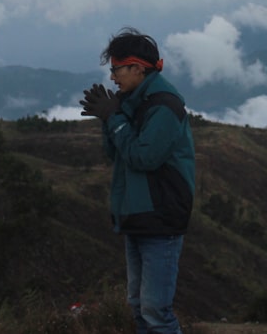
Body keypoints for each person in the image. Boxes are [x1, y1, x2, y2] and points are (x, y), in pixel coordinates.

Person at [80, 27, 196, 334]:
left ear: (137, 68)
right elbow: (115, 153)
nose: (113, 77)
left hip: (160, 215)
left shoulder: (164, 106)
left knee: (155, 310)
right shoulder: (132, 100)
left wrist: (115, 118)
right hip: (137, 213)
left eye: (117, 69)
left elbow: (145, 157)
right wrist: (109, 119)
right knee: (138, 305)